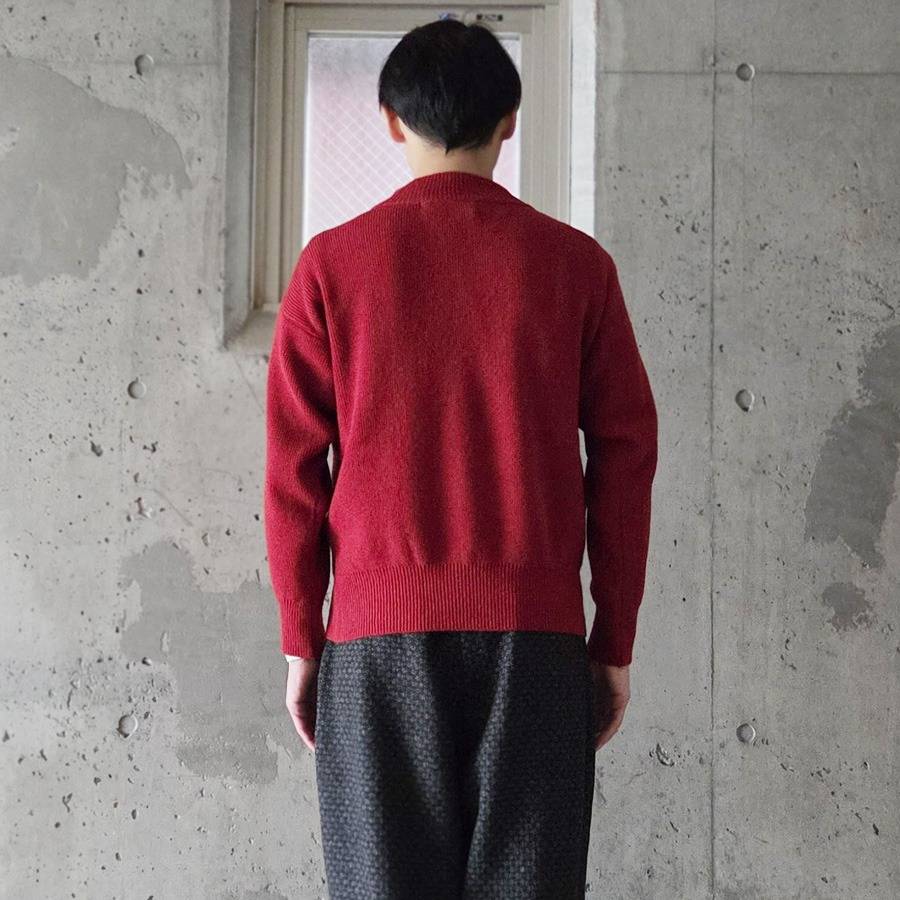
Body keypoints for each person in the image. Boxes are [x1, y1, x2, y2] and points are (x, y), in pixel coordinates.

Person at [263, 17, 658, 899]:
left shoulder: (330, 267)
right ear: (509, 121)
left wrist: (301, 639)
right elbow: (627, 454)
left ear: (390, 120)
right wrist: (612, 637)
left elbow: (293, 471)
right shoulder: (577, 267)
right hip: (537, 642)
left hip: (376, 647)